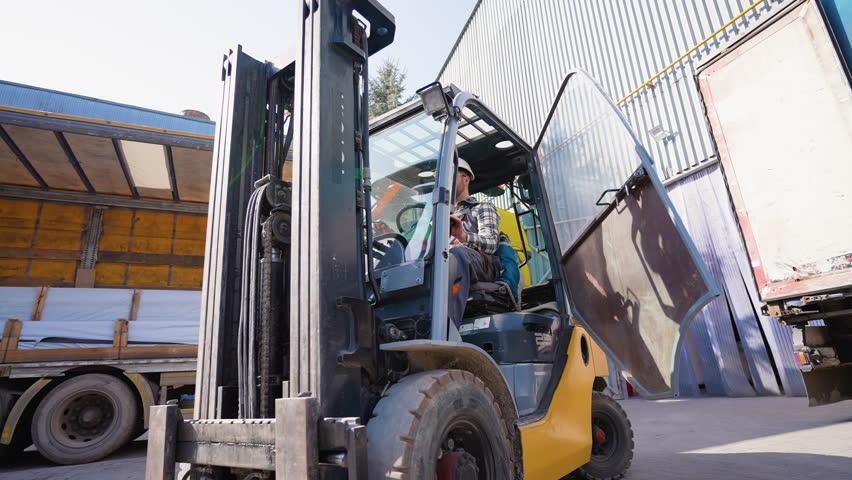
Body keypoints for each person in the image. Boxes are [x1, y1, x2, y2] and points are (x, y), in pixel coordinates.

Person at [447, 157, 501, 328]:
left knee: (455, 254)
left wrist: (463, 236)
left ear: (466, 179)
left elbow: (492, 243)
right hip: (451, 262)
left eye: (451, 175)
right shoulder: (440, 215)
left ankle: (447, 329)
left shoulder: (482, 208)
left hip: (482, 265)